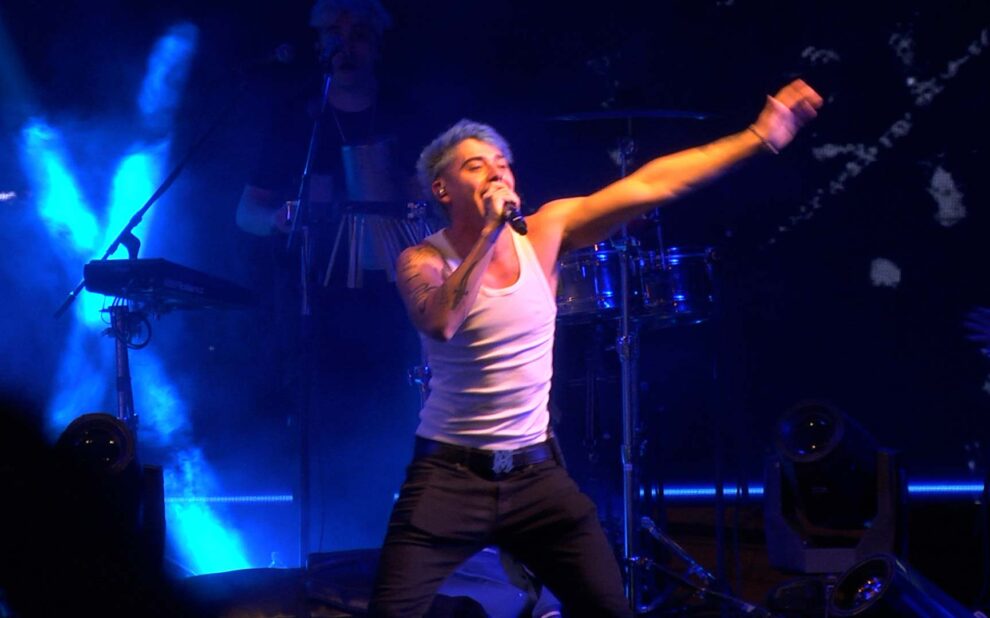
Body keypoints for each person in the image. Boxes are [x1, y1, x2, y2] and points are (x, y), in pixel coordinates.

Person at [368, 79, 823, 616]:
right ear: (442, 190)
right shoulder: (422, 259)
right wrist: (489, 232)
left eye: (503, 164)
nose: (496, 172)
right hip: (448, 475)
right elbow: (441, 322)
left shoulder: (545, 232)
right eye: (475, 165)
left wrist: (758, 136)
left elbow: (651, 184)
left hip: (535, 477)